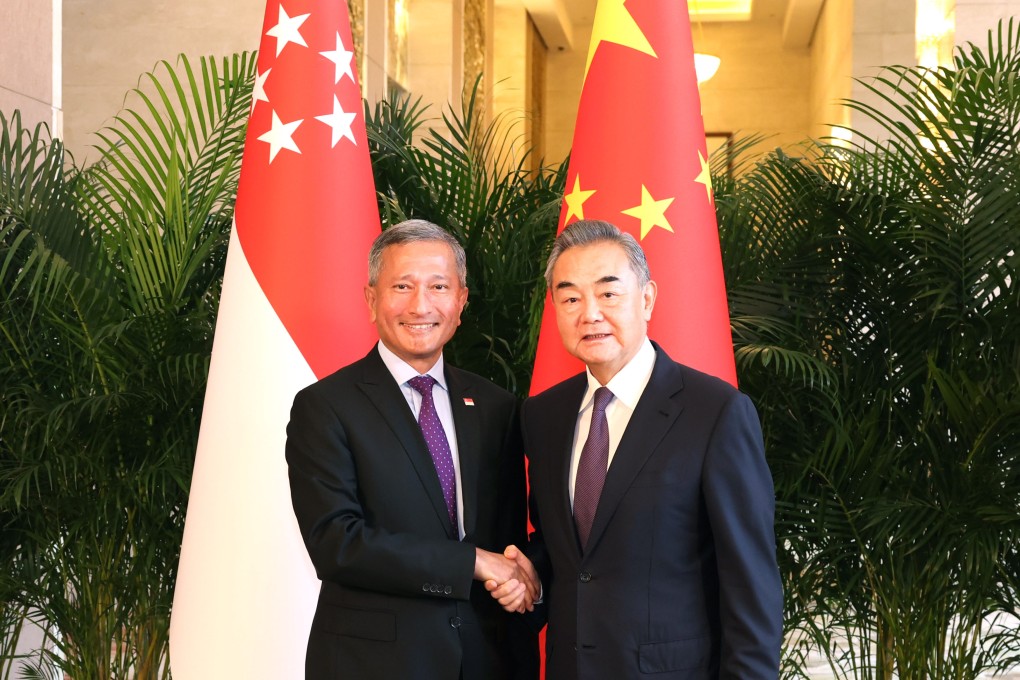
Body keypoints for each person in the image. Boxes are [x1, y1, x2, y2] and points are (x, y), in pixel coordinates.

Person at [498, 219, 783, 678]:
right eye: (571, 298)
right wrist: (526, 572)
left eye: (608, 293)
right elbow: (563, 549)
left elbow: (751, 587)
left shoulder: (715, 413)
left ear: (647, 298)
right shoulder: (543, 416)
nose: (589, 313)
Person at [286, 219, 539, 680]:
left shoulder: (496, 405)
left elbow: (511, 539)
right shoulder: (324, 407)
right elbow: (336, 543)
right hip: (376, 664)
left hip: (490, 658)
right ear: (371, 299)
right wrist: (472, 563)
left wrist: (526, 584)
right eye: (402, 286)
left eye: (439, 286)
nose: (420, 305)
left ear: (461, 302)